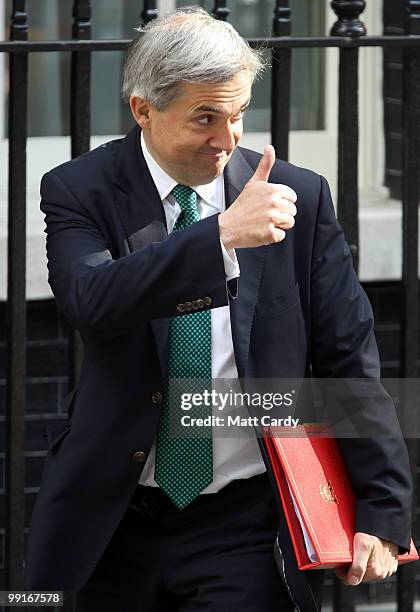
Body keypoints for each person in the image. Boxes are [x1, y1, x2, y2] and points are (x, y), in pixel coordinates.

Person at [24, 8, 412, 611]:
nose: (227, 139)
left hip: (245, 519)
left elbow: (348, 359)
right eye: (205, 117)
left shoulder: (297, 196)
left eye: (236, 115)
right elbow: (92, 301)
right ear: (143, 109)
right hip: (113, 519)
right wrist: (220, 237)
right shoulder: (79, 189)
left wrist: (383, 508)